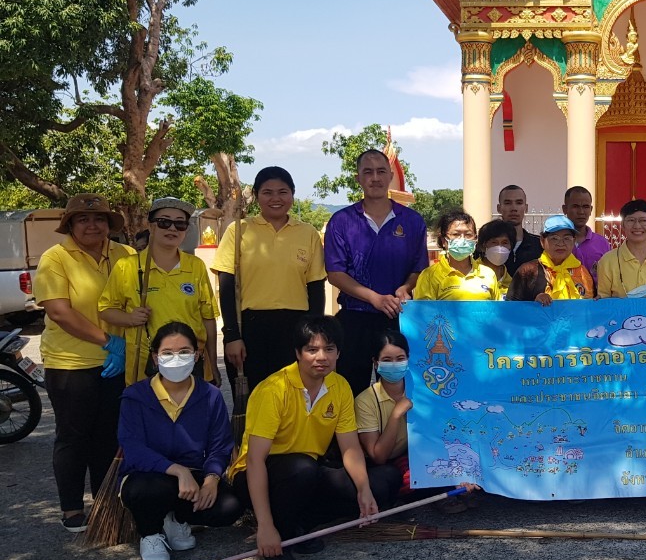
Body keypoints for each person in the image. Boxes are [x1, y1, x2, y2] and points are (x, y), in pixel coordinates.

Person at [228, 316, 400, 560]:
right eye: (312, 349)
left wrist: (364, 490)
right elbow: (254, 460)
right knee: (302, 468)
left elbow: (350, 448)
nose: (321, 357)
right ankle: (278, 540)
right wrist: (265, 526)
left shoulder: (339, 386)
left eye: (329, 349)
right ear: (298, 353)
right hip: (257, 475)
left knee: (384, 481)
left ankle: (298, 524)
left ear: (338, 353)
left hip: (306, 474)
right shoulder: (273, 389)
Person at [34, 194, 133, 531]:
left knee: (109, 437)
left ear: (109, 224)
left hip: (118, 363)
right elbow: (59, 311)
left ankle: (106, 506)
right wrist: (109, 341)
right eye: (83, 219)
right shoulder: (56, 257)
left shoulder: (125, 255)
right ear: (71, 225)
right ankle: (72, 509)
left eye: (99, 219)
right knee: (73, 437)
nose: (93, 225)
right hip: (70, 363)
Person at [118, 322, 243, 560]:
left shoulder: (210, 395)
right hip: (148, 476)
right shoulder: (135, 396)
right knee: (146, 490)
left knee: (230, 507)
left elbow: (220, 445)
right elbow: (133, 448)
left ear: (196, 355)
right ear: (155, 358)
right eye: (167, 353)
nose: (176, 358)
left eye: (184, 351)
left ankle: (175, 519)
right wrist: (178, 470)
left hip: (193, 479)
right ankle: (151, 533)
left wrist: (211, 479)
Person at [213, 167, 326, 390]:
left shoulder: (308, 233)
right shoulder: (238, 231)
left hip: (295, 328)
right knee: (253, 397)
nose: (276, 198)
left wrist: (314, 336)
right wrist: (232, 335)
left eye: (283, 192)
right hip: (249, 329)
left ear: (292, 194)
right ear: (256, 196)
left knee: (294, 397)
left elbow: (316, 289)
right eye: (267, 192)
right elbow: (226, 288)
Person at [324, 149, 428, 391]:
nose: (375, 178)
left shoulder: (412, 221)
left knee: (398, 388)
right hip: (355, 317)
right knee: (351, 389)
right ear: (358, 178)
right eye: (368, 172)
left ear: (390, 176)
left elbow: (419, 268)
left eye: (381, 171)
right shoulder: (342, 221)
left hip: (398, 317)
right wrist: (374, 298)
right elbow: (335, 274)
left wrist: (406, 287)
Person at [355, 331, 478, 514]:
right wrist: (395, 416)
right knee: (405, 478)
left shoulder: (423, 387)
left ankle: (453, 487)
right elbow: (379, 457)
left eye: (400, 358)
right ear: (375, 362)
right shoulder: (366, 401)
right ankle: (439, 492)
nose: (394, 364)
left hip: (423, 451)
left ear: (408, 359)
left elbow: (444, 431)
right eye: (387, 360)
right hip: (392, 461)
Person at [99, 197, 219, 385]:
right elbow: (105, 310)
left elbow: (208, 318)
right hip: (145, 367)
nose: (172, 229)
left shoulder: (196, 266)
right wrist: (129, 318)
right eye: (164, 222)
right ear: (151, 226)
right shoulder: (127, 266)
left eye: (180, 224)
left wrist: (213, 363)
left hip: (190, 362)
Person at [413, 211, 501, 301]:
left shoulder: (488, 274)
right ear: (443, 240)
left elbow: (498, 308)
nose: (462, 239)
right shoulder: (429, 276)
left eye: (468, 234)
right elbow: (424, 309)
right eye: (455, 234)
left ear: (475, 238)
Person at [596, 199, 646, 298]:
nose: (637, 226)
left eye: (643, 221)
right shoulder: (607, 261)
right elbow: (603, 302)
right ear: (623, 225)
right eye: (631, 220)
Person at [508, 215, 596, 303]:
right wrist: (534, 303)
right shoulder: (528, 271)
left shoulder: (582, 272)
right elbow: (511, 307)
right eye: (554, 238)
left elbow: (590, 307)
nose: (561, 243)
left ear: (574, 241)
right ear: (542, 241)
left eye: (567, 238)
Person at [563, 186, 610, 281]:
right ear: (565, 209)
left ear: (591, 210)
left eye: (586, 207)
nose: (581, 212)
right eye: (575, 206)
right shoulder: (555, 242)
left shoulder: (602, 243)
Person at [497, 184, 542, 274]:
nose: (514, 208)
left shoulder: (540, 246)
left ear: (526, 208)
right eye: (508, 203)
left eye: (519, 203)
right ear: (499, 208)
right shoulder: (488, 246)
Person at [477, 219, 518, 299]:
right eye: (494, 242)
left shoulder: (513, 284)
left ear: (511, 247)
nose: (500, 247)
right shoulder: (471, 273)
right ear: (483, 246)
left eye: (505, 243)